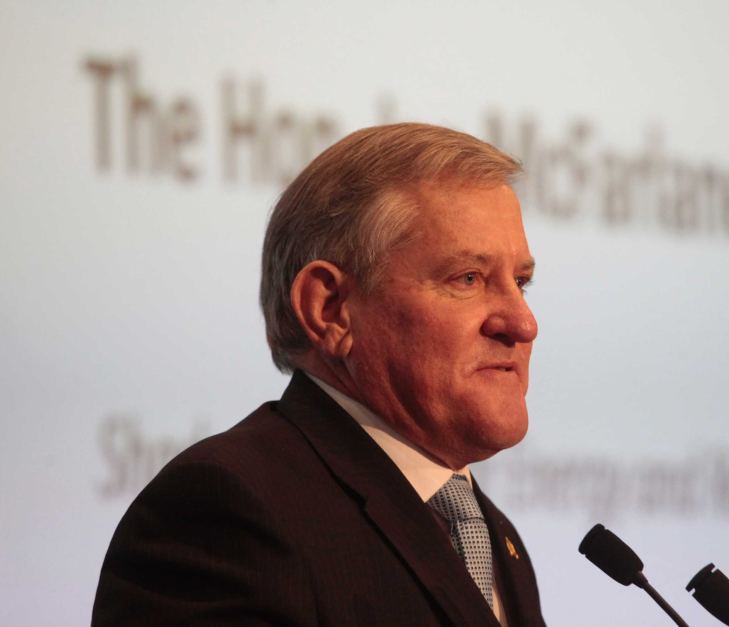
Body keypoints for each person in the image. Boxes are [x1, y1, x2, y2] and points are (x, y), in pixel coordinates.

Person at [92, 123, 547, 626]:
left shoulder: (494, 538)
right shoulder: (227, 513)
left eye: (521, 282)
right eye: (468, 278)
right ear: (329, 309)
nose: (522, 323)